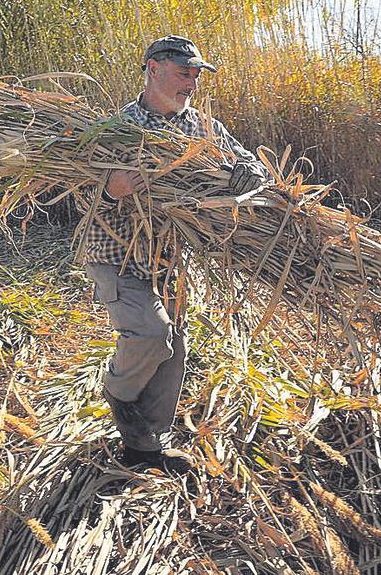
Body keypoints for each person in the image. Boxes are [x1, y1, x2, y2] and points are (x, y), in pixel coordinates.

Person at [82, 35, 268, 474]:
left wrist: (250, 173)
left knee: (174, 348)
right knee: (151, 335)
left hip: (172, 258)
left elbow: (251, 163)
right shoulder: (118, 129)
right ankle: (118, 393)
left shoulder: (204, 128)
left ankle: (146, 446)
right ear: (153, 68)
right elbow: (79, 194)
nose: (193, 82)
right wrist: (112, 190)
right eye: (185, 72)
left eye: (197, 74)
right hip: (117, 251)